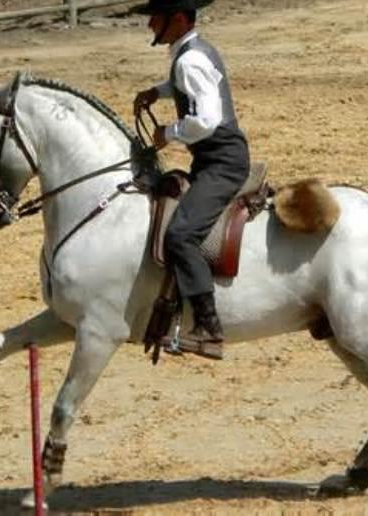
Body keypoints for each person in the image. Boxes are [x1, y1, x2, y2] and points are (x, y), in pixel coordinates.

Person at [133, 0, 250, 354]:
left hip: (222, 164)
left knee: (181, 235)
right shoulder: (193, 52)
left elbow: (206, 120)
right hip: (215, 159)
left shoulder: (189, 60)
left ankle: (208, 328)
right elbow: (188, 86)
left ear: (180, 19)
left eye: (156, 18)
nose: (151, 25)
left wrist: (167, 133)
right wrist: (158, 91)